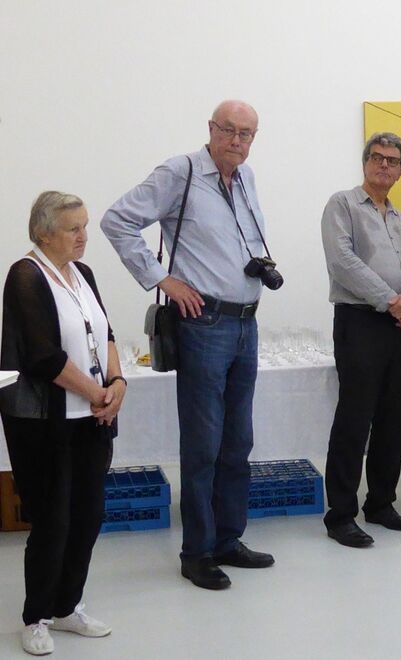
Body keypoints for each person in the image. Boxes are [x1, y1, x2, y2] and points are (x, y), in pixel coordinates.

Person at [101, 100, 274, 590]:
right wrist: (163, 279)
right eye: (229, 130)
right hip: (204, 324)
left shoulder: (246, 177)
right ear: (211, 129)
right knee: (204, 444)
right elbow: (117, 220)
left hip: (246, 323)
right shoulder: (181, 173)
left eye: (246, 133)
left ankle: (228, 539)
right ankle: (197, 551)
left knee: (238, 441)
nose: (237, 140)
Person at [0, 191, 125, 656]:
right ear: (44, 232)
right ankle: (36, 617)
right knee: (52, 521)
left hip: (91, 418)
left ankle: (68, 605)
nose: (83, 236)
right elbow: (42, 356)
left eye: (85, 226)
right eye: (73, 228)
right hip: (45, 422)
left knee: (88, 516)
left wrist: (117, 382)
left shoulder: (83, 274)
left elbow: (106, 334)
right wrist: (96, 392)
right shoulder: (25, 275)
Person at [321, 132, 401, 548]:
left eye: (393, 160)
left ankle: (381, 503)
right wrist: (390, 301)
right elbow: (342, 261)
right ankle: (340, 515)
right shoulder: (342, 205)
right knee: (355, 419)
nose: (385, 165)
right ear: (365, 162)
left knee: (395, 419)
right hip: (361, 321)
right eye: (378, 157)